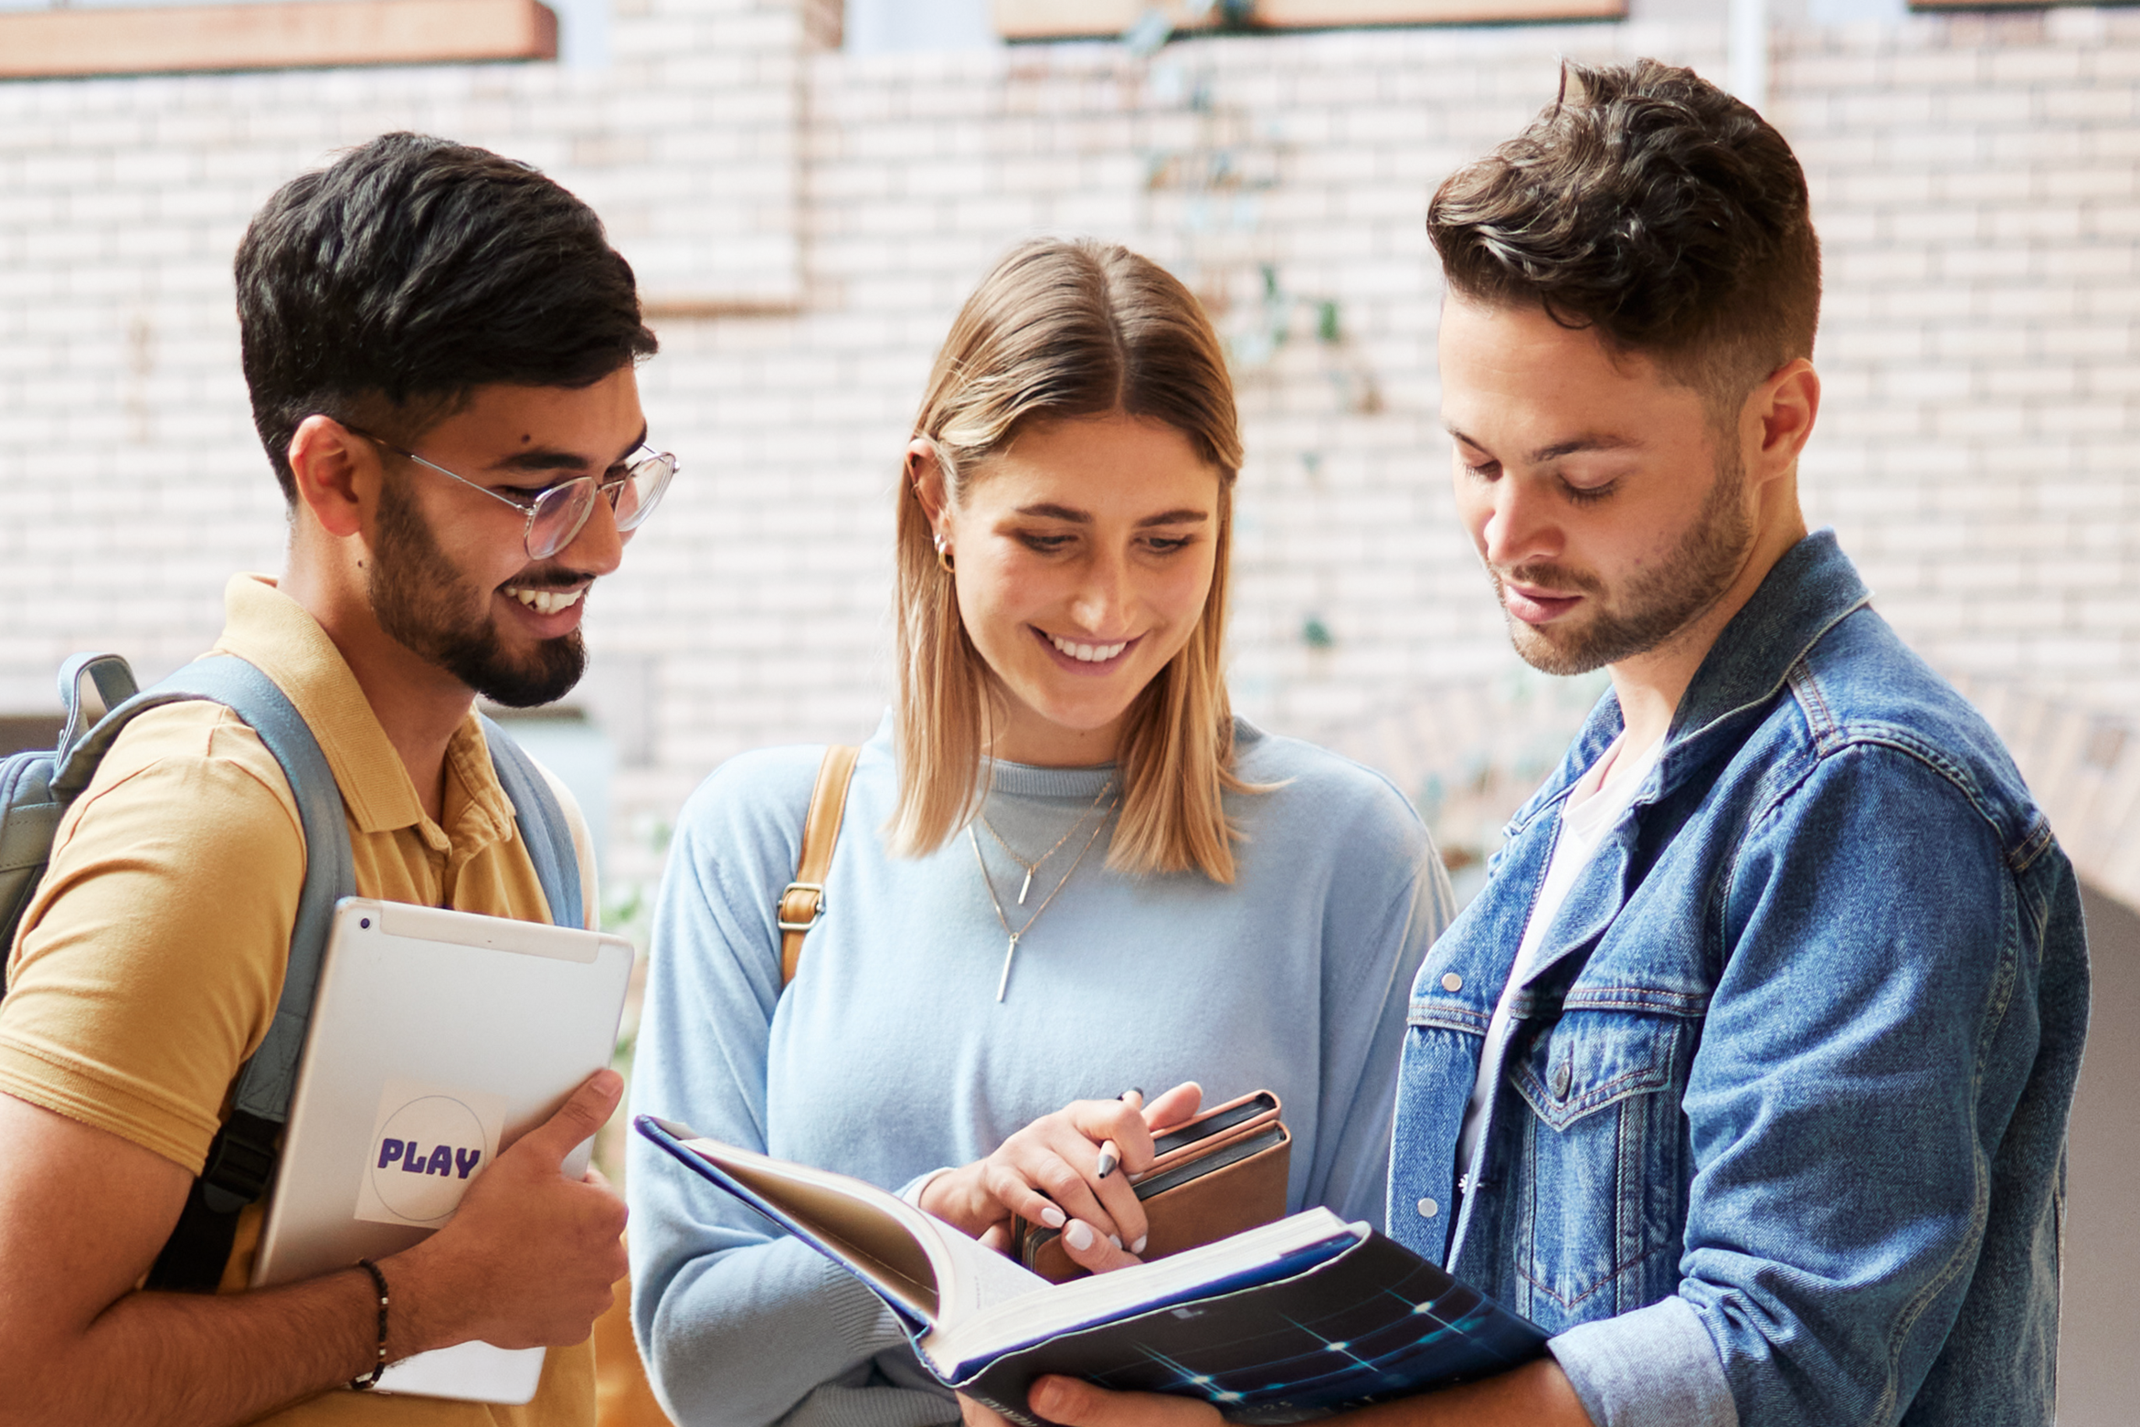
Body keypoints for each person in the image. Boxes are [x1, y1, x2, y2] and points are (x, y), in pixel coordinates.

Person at [998, 60, 2090, 1427]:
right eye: (1475, 460)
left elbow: (1784, 1358)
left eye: (1582, 476)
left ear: (1777, 421)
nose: (1508, 535)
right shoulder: (1592, 787)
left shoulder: (1865, 792)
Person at [626, 237, 1456, 1427]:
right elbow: (695, 1356)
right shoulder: (761, 843)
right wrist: (944, 1218)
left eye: (1167, 539)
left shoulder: (1349, 854)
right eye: (1049, 536)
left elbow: (1404, 1356)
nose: (1106, 604)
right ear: (937, 498)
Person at [0, 133, 673, 1426]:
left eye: (625, 476)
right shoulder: (212, 818)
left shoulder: (533, 818)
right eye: (538, 490)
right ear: (339, 475)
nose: (599, 544)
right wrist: (423, 1298)